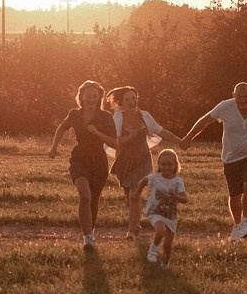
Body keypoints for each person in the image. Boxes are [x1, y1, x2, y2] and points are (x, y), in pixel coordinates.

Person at [181, 81, 247, 240]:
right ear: (233, 96)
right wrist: (188, 137)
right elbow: (205, 120)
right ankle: (237, 225)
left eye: (246, 97)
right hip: (230, 157)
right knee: (235, 195)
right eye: (239, 97)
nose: (242, 100)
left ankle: (246, 222)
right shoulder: (225, 107)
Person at [106, 86, 184, 240]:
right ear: (121, 102)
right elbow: (114, 140)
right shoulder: (117, 117)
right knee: (130, 198)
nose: (132, 101)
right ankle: (136, 224)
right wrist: (129, 137)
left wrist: (180, 141)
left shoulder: (144, 115)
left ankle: (131, 232)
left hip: (142, 159)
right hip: (124, 159)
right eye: (128, 99)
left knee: (135, 195)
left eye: (134, 98)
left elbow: (160, 131)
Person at [48, 80, 118, 250]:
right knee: (85, 196)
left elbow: (115, 143)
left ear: (99, 98)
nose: (91, 99)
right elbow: (61, 128)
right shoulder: (75, 114)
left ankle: (90, 234)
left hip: (99, 161)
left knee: (94, 201)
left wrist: (97, 133)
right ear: (81, 97)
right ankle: (87, 238)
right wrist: (54, 147)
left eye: (95, 96)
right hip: (79, 158)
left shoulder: (105, 117)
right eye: (88, 96)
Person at [135, 148, 188, 269]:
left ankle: (165, 266)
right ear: (158, 164)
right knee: (160, 231)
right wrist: (137, 194)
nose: (167, 167)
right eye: (163, 164)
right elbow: (144, 181)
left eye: (170, 164)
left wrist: (176, 196)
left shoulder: (178, 181)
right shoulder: (155, 177)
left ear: (175, 165)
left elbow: (185, 199)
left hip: (171, 215)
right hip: (156, 212)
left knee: (168, 245)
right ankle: (153, 249)